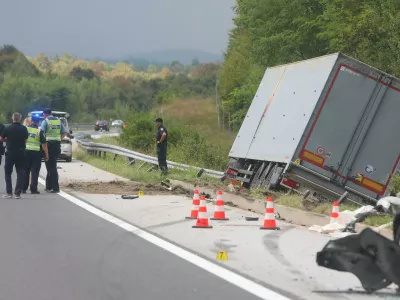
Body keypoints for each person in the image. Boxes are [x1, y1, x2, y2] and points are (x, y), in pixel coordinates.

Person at [1, 112, 28, 199]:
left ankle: (9, 193)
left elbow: (1, 138)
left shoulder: (8, 128)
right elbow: (26, 139)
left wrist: (7, 140)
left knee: (8, 172)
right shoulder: (24, 128)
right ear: (20, 119)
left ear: (12, 118)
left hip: (10, 152)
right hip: (21, 152)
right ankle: (17, 193)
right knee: (20, 172)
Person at [41, 108, 67, 193]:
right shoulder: (59, 121)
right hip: (56, 146)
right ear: (51, 113)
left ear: (45, 114)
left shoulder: (46, 121)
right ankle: (48, 186)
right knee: (51, 166)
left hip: (49, 146)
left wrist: (42, 142)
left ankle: (55, 188)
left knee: (51, 167)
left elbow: (41, 133)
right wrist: (59, 139)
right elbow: (65, 132)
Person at [23, 115, 49, 194]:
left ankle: (23, 188)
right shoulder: (39, 131)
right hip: (36, 154)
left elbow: (22, 140)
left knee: (25, 171)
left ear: (31, 121)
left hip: (26, 152)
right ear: (38, 122)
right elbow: (44, 144)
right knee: (35, 171)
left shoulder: (25, 129)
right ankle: (33, 189)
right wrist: (46, 154)